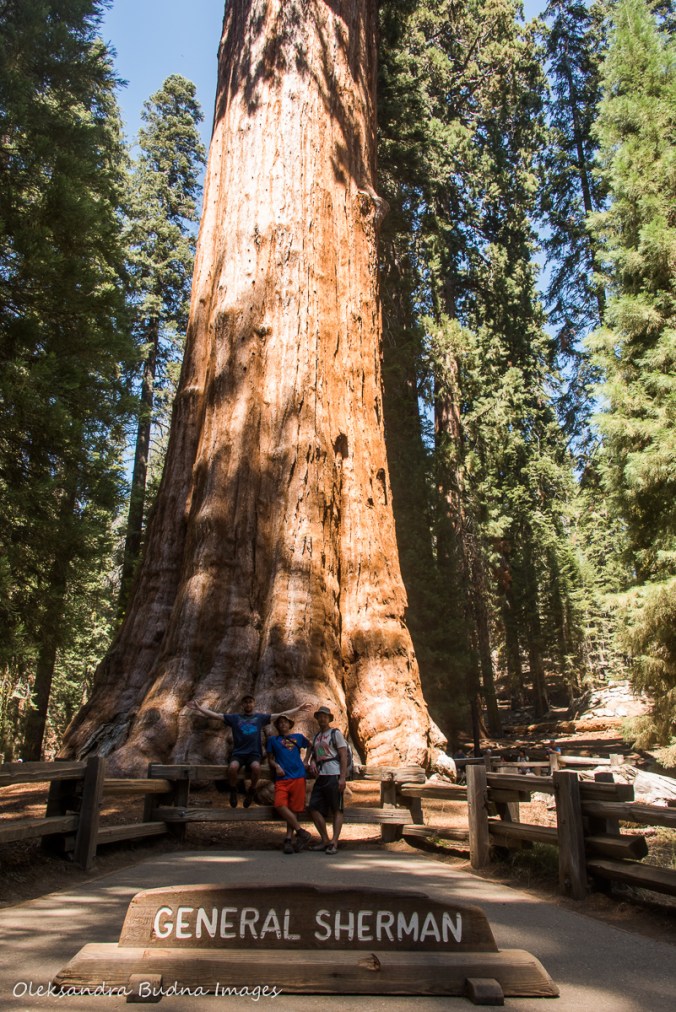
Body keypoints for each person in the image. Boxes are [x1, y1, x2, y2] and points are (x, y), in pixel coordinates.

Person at [187, 695, 310, 808]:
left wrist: (298, 708)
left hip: (253, 753)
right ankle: (233, 790)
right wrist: (199, 708)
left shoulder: (260, 718)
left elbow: (280, 714)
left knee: (256, 768)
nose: (248, 704)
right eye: (245, 702)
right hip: (239, 753)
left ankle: (252, 789)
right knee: (232, 768)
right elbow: (216, 716)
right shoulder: (235, 718)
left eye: (250, 702)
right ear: (242, 705)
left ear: (254, 704)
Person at [267, 715, 313, 854]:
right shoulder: (273, 740)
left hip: (298, 776)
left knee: (293, 809)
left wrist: (306, 760)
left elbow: (310, 746)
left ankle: (288, 839)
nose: (282, 724)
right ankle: (301, 832)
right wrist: (276, 766)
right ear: (277, 726)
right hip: (282, 778)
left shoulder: (298, 737)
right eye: (280, 723)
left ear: (289, 724)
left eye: (285, 722)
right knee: (280, 805)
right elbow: (270, 759)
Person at [307, 705, 348, 854]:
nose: (322, 718)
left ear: (329, 719)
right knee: (313, 807)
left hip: (334, 774)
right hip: (321, 776)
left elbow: (343, 755)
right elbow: (316, 755)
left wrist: (342, 778)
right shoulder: (317, 736)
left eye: (325, 716)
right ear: (317, 718)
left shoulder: (335, 733)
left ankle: (334, 842)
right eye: (320, 716)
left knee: (337, 808)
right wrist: (312, 762)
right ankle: (325, 839)